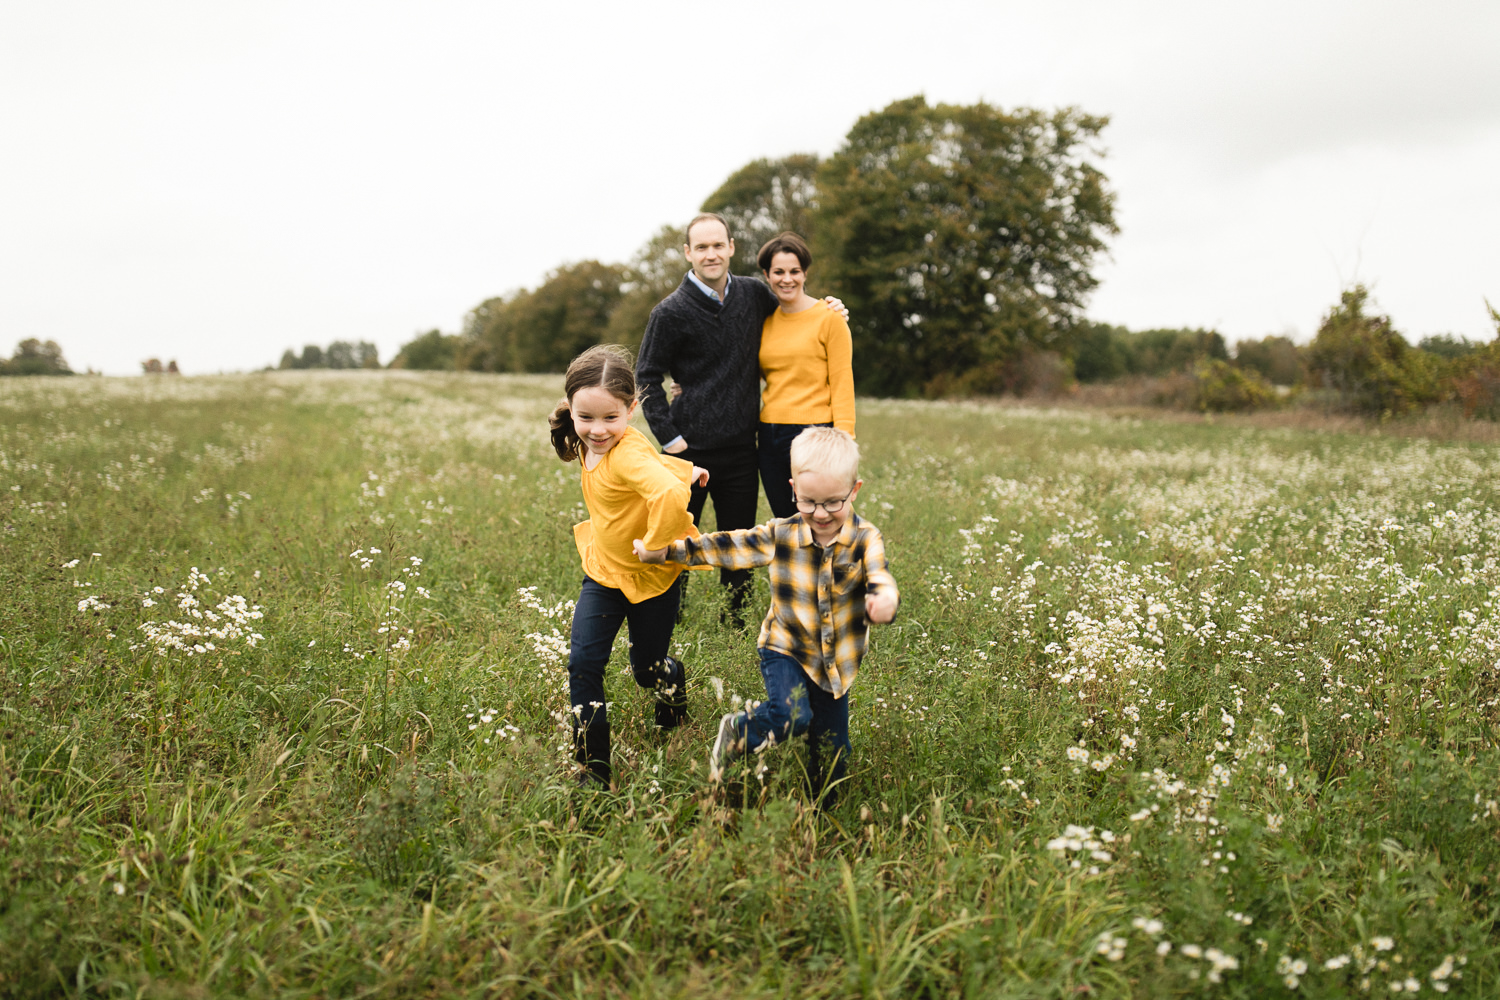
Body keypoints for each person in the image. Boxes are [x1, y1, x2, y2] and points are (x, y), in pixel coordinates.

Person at [634, 427, 898, 805]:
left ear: (854, 490)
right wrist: (669, 552)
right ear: (793, 489)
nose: (819, 514)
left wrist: (884, 600)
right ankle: (740, 730)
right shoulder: (782, 533)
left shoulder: (865, 539)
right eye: (808, 502)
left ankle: (822, 815)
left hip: (835, 661)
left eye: (832, 503)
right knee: (792, 716)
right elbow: (725, 546)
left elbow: (880, 575)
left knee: (832, 750)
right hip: (785, 647)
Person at [635, 213, 845, 625]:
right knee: (676, 537)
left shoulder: (753, 295)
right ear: (688, 253)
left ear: (731, 247)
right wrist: (671, 438)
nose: (711, 254)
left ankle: (734, 621)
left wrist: (829, 308)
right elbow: (646, 375)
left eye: (718, 245)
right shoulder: (670, 312)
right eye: (701, 247)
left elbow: (794, 310)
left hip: (741, 448)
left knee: (737, 540)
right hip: (685, 451)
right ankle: (666, 618)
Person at [547, 344, 708, 787]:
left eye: (610, 418)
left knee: (647, 669)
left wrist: (657, 546)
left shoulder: (627, 451)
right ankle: (592, 771)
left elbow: (664, 491)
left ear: (632, 409)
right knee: (582, 665)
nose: (597, 431)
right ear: (572, 407)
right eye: (586, 417)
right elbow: (653, 469)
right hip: (603, 571)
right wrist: (684, 468)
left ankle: (671, 685)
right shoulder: (588, 438)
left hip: (650, 576)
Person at [755, 231, 855, 518]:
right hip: (769, 433)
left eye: (794, 271)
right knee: (785, 520)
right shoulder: (765, 322)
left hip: (814, 433)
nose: (787, 279)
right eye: (779, 272)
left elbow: (842, 382)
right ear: (767, 275)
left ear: (805, 273)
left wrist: (845, 442)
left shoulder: (830, 318)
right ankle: (791, 565)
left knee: (820, 519)